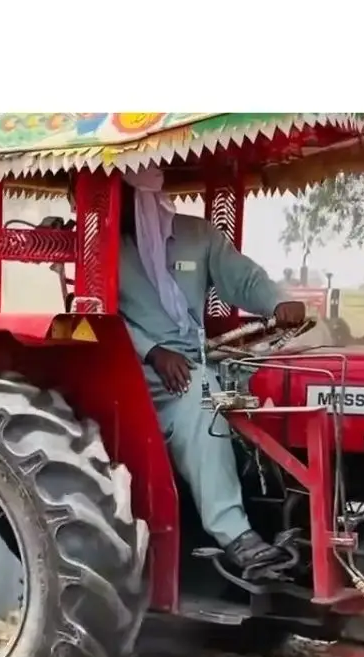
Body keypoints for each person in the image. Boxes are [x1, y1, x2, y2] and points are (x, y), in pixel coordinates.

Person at [114, 167, 306, 575]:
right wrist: (153, 352)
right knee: (201, 393)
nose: (114, 207)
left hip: (198, 354)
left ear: (143, 199)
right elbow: (102, 317)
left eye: (121, 196)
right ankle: (234, 532)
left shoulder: (197, 236)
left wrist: (277, 302)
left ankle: (290, 508)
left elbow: (244, 278)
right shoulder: (103, 248)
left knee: (273, 377)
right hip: (135, 366)